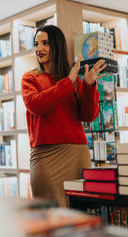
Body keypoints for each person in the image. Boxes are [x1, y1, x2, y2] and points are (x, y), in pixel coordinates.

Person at [21, 25, 106, 207]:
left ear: (57, 45)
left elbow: (88, 115)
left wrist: (89, 85)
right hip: (45, 155)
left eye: (46, 43)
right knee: (52, 215)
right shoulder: (30, 78)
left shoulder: (73, 78)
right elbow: (36, 105)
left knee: (82, 212)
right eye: (36, 44)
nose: (39, 49)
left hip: (77, 153)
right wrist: (68, 82)